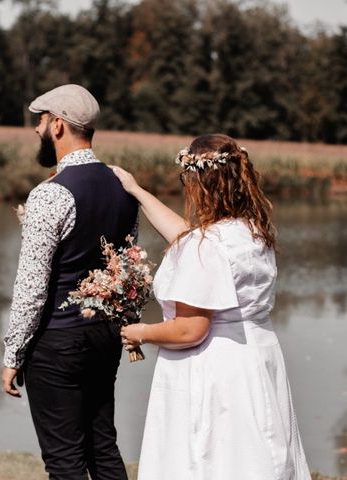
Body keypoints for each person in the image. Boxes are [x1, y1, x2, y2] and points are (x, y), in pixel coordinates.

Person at [112, 133, 311, 480]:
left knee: (212, 459)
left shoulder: (207, 247)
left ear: (198, 184)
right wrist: (137, 191)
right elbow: (186, 236)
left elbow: (190, 329)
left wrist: (141, 332)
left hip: (216, 371)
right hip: (255, 360)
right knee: (255, 455)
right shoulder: (251, 233)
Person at [1, 84, 138, 480]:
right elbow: (124, 268)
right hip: (104, 336)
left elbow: (32, 287)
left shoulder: (50, 194)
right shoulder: (123, 187)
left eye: (41, 121)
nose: (37, 130)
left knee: (64, 461)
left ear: (58, 125)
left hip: (58, 344)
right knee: (102, 448)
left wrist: (13, 355)